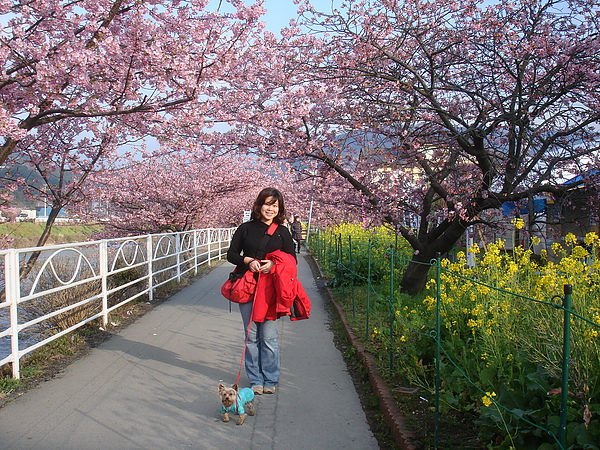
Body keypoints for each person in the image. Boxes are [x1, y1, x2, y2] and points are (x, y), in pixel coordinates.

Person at [226, 187, 296, 395]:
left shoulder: (282, 231)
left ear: (279, 208)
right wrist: (247, 261)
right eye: (267, 204)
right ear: (259, 205)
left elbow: (292, 261)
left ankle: (271, 378)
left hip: (271, 290)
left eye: (275, 205)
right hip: (247, 287)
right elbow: (231, 254)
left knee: (269, 337)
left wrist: (273, 266)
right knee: (251, 336)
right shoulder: (245, 228)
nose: (270, 209)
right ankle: (255, 379)